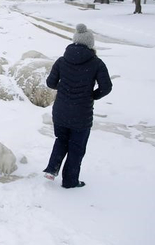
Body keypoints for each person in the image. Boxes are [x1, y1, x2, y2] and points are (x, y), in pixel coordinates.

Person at [43, 23, 113, 188]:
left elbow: (50, 83)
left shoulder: (62, 61)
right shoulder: (96, 63)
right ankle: (70, 181)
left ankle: (52, 169)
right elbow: (107, 87)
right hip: (81, 114)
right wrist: (92, 96)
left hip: (60, 111)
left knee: (61, 139)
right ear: (90, 44)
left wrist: (65, 90)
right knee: (76, 147)